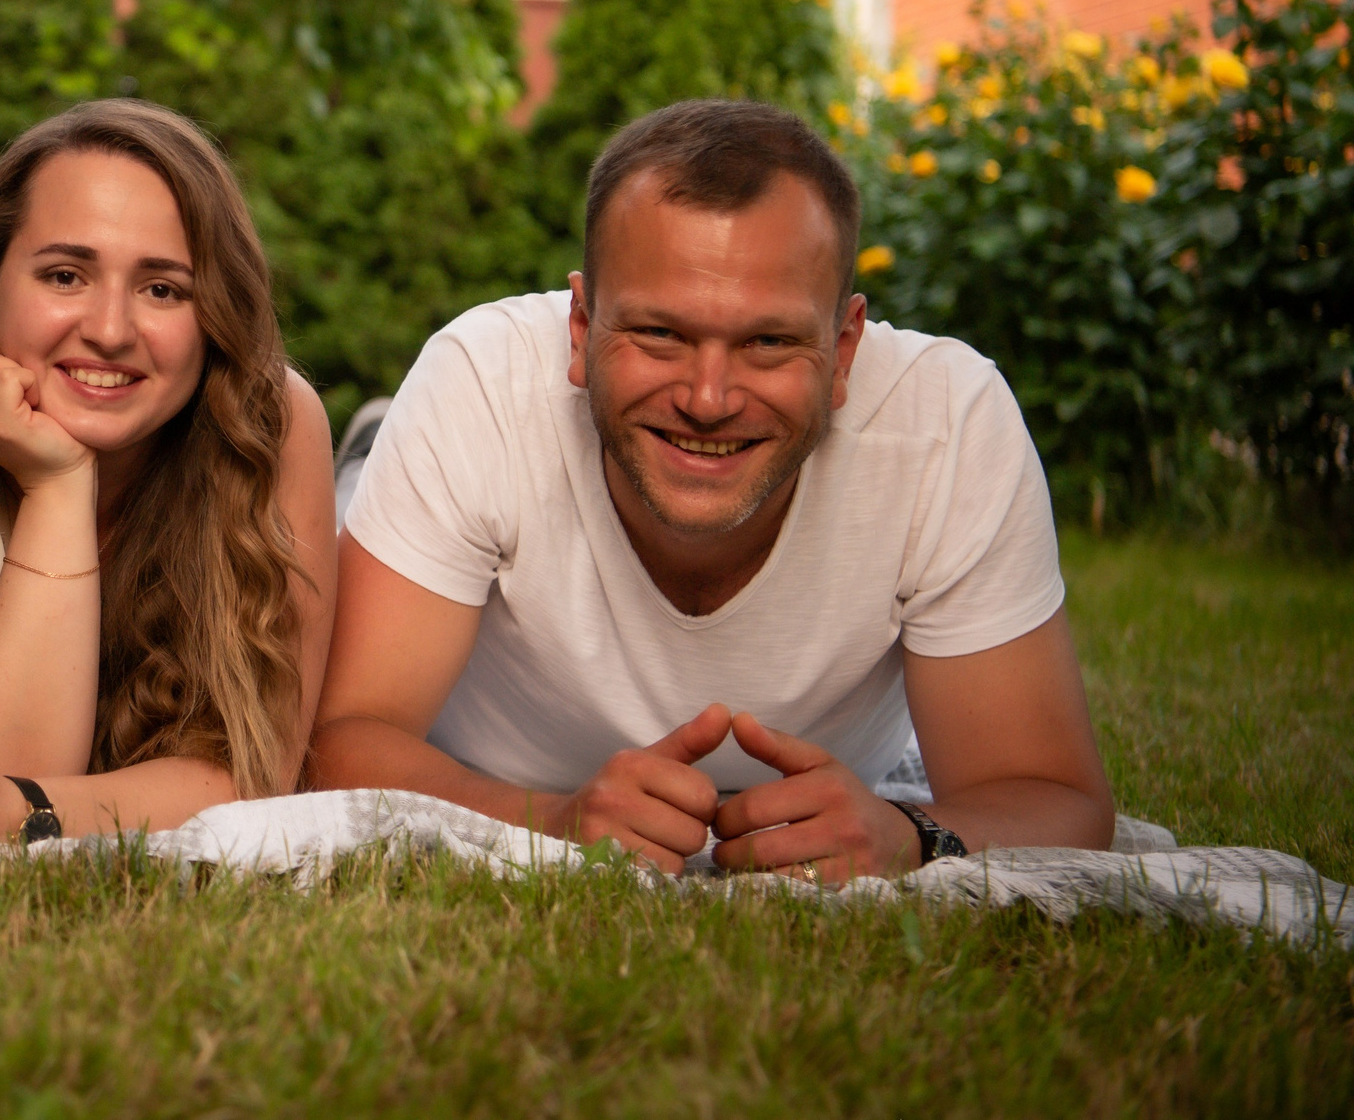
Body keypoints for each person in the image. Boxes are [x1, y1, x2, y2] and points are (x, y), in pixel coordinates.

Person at [309, 99, 1117, 880]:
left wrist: (910, 832)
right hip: (464, 580)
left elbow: (1053, 797)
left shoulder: (948, 423)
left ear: (844, 351)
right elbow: (338, 740)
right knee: (353, 508)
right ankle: (374, 451)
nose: (708, 397)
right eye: (661, 333)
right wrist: (551, 820)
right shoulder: (479, 386)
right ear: (581, 330)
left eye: (768, 341)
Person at [0, 100, 338, 842]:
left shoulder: (269, 423)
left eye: (163, 289)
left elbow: (254, 775)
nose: (111, 330)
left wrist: (20, 810)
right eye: (65, 275)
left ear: (214, 316)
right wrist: (56, 486)